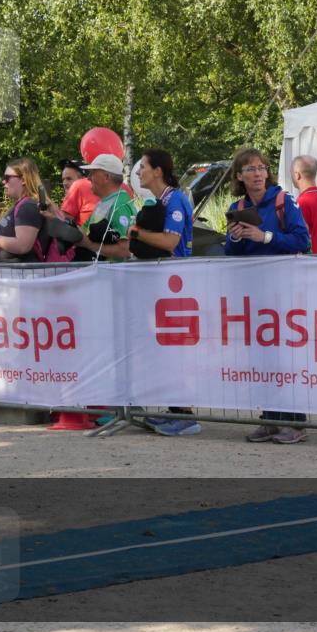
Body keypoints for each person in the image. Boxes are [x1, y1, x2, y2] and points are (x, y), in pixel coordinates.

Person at [224, 148, 311, 445]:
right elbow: (230, 252)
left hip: (285, 291)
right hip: (254, 292)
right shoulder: (237, 206)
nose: (257, 173)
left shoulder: (283, 200)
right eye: (250, 169)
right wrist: (236, 237)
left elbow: (304, 240)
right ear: (239, 176)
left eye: (261, 168)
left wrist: (266, 237)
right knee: (261, 356)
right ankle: (271, 419)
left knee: (285, 355)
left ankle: (294, 422)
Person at [128, 149, 200, 436]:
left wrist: (137, 233)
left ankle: (185, 415)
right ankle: (174, 408)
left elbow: (171, 241)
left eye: (143, 167)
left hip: (177, 282)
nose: (138, 172)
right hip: (163, 284)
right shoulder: (162, 200)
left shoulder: (176, 199)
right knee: (164, 348)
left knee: (175, 349)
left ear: (158, 171)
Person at [0, 158, 44, 262]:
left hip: (21, 275)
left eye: (7, 178)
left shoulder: (28, 206)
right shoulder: (22, 204)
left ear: (23, 179)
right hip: (13, 274)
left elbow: (22, 245)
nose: (3, 181)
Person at [77, 155, 136, 261]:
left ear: (106, 177)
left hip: (116, 276)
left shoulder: (119, 205)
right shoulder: (105, 202)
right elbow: (83, 231)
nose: (89, 178)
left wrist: (89, 245)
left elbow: (125, 250)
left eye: (93, 173)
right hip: (105, 274)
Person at [59, 158, 99, 226]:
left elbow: (62, 222)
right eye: (63, 179)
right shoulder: (102, 189)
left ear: (82, 179)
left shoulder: (79, 185)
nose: (64, 183)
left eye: (69, 179)